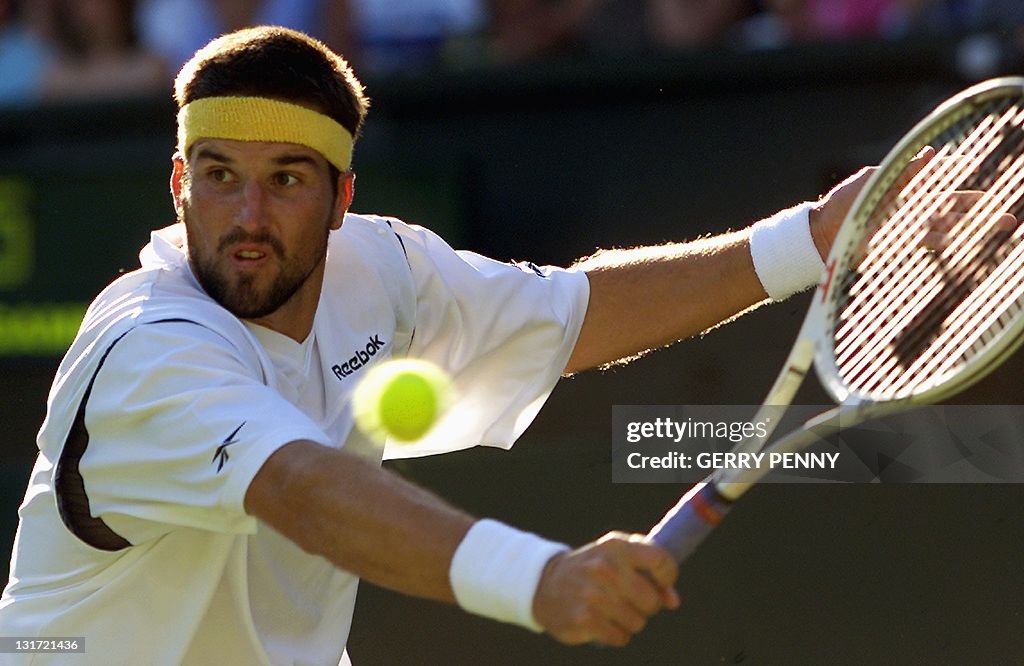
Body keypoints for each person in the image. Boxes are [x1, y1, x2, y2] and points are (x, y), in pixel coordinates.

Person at [0, 25, 874, 665]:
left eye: (287, 180)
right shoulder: (148, 348)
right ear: (181, 184)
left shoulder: (379, 267)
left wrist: (813, 238)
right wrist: (542, 580)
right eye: (220, 176)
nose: (248, 217)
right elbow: (301, 488)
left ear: (342, 199)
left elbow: (574, 313)